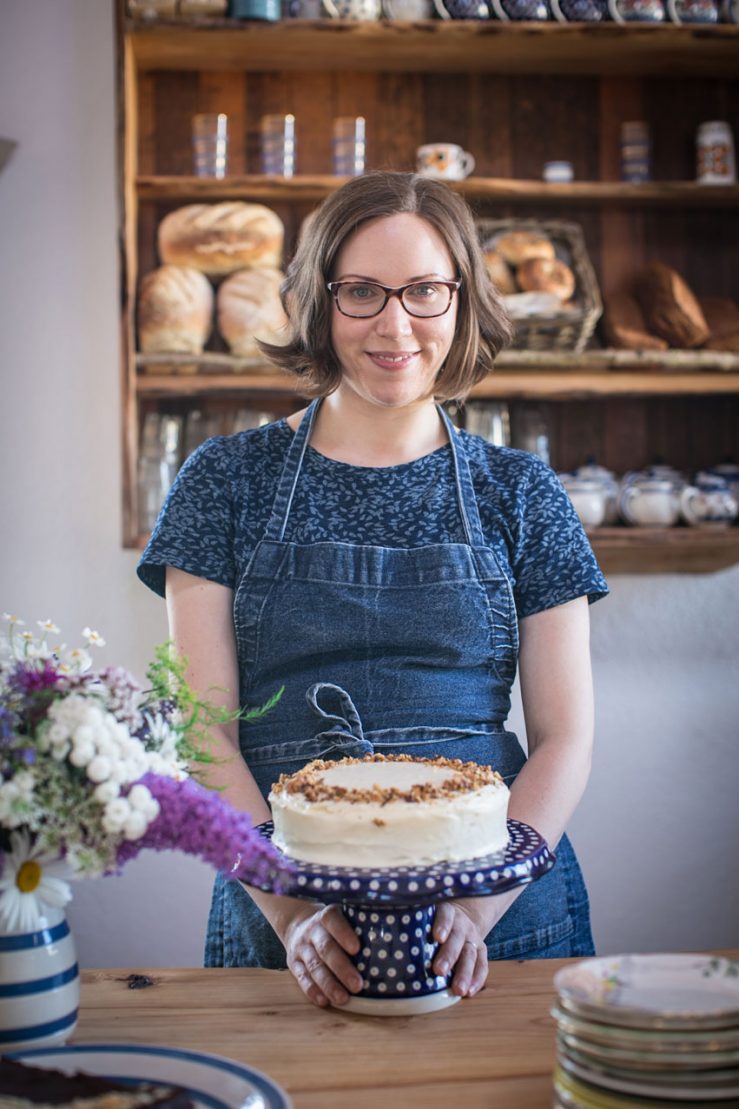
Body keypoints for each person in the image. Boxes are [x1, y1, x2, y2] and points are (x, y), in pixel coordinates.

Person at [137, 171, 608, 1008]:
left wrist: (478, 902)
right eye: (361, 291)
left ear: (461, 301)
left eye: (424, 290)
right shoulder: (223, 481)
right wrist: (293, 913)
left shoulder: (522, 494)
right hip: (280, 919)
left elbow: (564, 737)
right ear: (318, 302)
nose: (395, 324)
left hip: (500, 919)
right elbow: (201, 731)